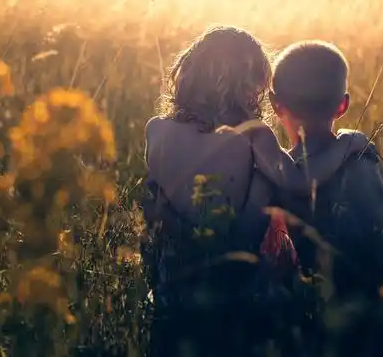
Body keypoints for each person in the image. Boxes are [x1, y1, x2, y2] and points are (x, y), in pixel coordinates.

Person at [142, 26, 371, 357]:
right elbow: (298, 180)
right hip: (236, 278)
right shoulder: (252, 134)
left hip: (172, 286)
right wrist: (349, 143)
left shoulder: (156, 130)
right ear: (248, 89)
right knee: (267, 180)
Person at [267, 40, 383, 356]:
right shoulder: (361, 151)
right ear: (342, 106)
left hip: (326, 293)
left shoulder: (283, 175)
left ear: (275, 105)